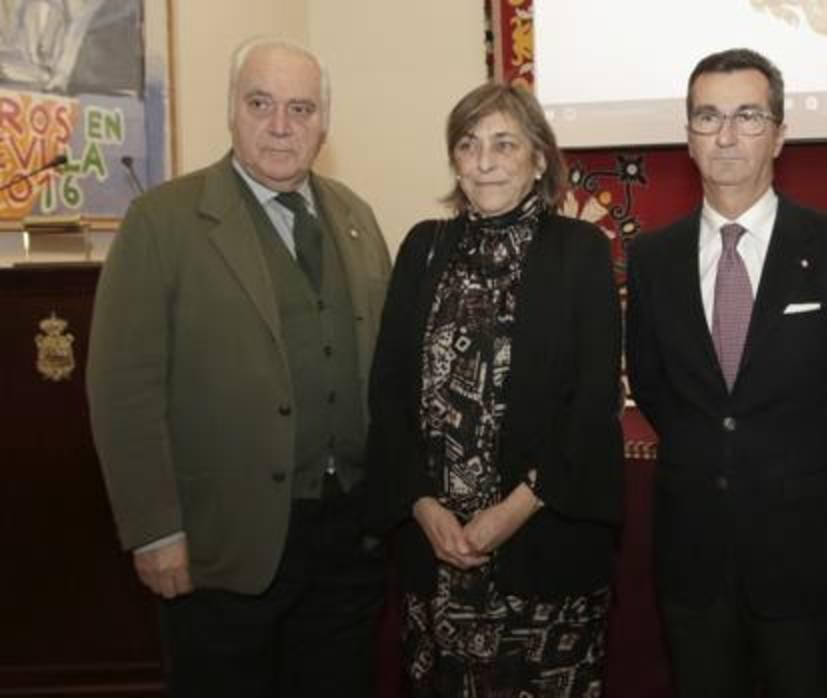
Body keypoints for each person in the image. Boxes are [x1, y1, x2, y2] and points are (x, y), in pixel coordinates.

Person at [87, 37, 391, 698]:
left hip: (346, 542)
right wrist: (155, 529)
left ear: (323, 124)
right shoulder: (162, 222)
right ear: (232, 111)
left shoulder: (356, 217)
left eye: (301, 108)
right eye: (262, 103)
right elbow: (122, 389)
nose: (282, 126)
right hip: (221, 544)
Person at [624, 48, 827, 697]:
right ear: (687, 138)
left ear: (779, 132)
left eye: (747, 115)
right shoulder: (652, 259)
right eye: (707, 117)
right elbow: (659, 391)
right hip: (694, 560)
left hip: (804, 556)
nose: (726, 134)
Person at [365, 81, 624, 697]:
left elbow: (592, 404)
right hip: (437, 556)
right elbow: (388, 392)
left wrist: (508, 515)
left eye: (504, 144)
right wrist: (424, 508)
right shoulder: (423, 248)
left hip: (544, 549)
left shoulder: (580, 251)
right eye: (468, 144)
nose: (484, 161)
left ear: (539, 160)